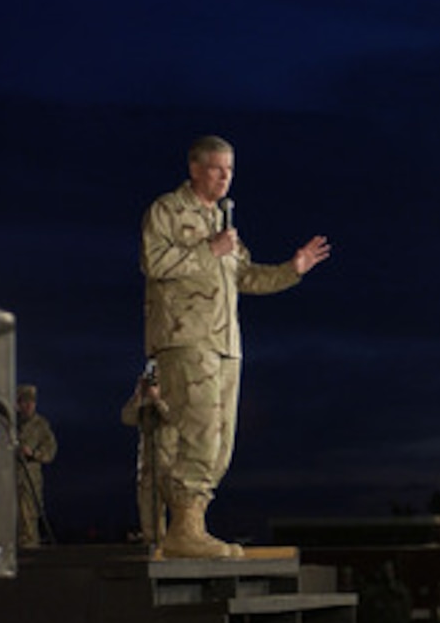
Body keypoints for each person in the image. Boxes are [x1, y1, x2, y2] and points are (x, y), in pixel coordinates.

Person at [140, 135, 330, 558]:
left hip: (226, 343)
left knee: (222, 439)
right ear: (194, 168)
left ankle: (193, 526)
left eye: (230, 169)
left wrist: (292, 269)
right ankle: (182, 529)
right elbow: (154, 262)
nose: (225, 177)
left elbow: (245, 277)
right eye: (216, 168)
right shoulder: (168, 211)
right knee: (198, 432)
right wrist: (209, 249)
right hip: (186, 338)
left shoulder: (224, 224)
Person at [120, 361, 173, 546]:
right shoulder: (143, 403)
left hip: (167, 461)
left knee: (173, 506)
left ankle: (170, 544)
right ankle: (152, 542)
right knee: (147, 507)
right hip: (147, 463)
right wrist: (138, 396)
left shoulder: (171, 396)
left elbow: (174, 417)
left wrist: (158, 400)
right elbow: (126, 417)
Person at [15, 384, 58, 548]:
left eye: (31, 402)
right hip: (8, 480)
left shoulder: (41, 425)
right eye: (24, 402)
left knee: (28, 522)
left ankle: (30, 558)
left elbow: (50, 451)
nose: (28, 405)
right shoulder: (10, 423)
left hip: (29, 481)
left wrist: (33, 454)